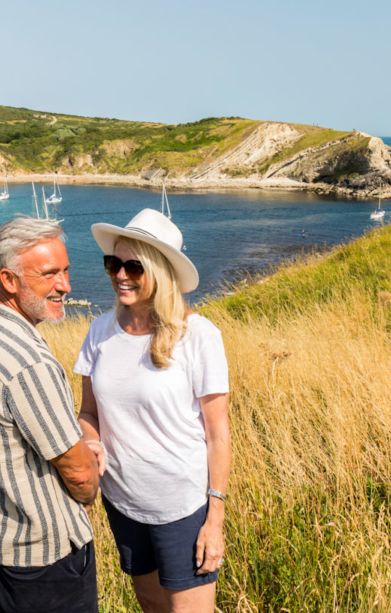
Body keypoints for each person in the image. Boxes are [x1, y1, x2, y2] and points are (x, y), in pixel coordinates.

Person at [0, 216, 100, 613]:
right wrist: (91, 480)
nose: (65, 285)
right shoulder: (28, 366)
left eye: (66, 270)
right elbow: (78, 474)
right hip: (41, 556)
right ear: (9, 280)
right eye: (49, 274)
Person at [75, 208, 231, 613]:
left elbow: (218, 435)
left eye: (133, 266)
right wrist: (90, 441)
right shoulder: (99, 332)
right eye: (113, 263)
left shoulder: (198, 335)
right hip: (123, 503)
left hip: (181, 507)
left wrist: (214, 518)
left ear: (160, 272)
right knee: (150, 604)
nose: (120, 275)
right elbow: (87, 413)